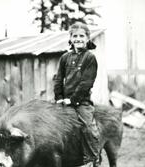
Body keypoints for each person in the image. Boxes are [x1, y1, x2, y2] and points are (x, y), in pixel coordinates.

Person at [53, 22, 100, 164]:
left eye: (81, 36)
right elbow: (58, 78)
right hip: (64, 101)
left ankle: (92, 159)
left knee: (88, 128)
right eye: (75, 36)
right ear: (71, 39)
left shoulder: (89, 57)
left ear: (87, 38)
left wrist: (73, 100)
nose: (78, 38)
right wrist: (59, 97)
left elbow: (86, 83)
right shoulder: (65, 58)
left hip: (81, 103)